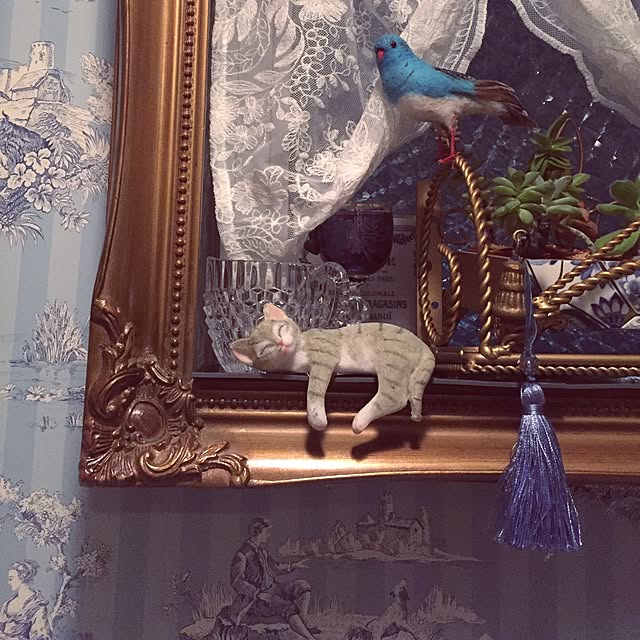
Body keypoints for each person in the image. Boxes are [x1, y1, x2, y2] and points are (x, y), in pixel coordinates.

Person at [229, 517, 319, 639]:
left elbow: (275, 568)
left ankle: (304, 623)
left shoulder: (262, 550)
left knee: (303, 586)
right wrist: (257, 593)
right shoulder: (242, 555)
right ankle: (310, 638)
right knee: (288, 607)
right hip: (258, 599)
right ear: (257, 532)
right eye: (267, 532)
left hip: (274, 589)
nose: (269, 535)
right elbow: (237, 581)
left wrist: (293, 565)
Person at [0, 561, 51, 640]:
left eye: (11, 579)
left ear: (22, 578)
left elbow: (41, 637)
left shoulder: (37, 606)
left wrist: (6, 637)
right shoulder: (7, 604)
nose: (9, 582)